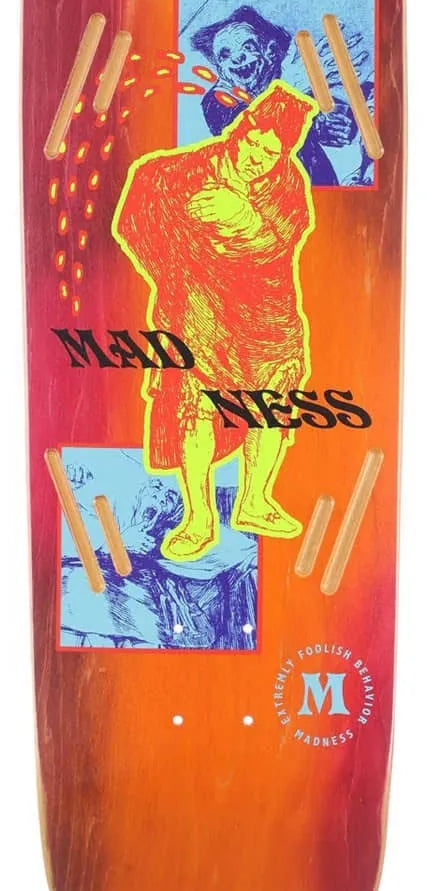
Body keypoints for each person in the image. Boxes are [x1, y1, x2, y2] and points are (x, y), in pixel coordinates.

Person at [112, 82, 318, 562]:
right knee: (196, 407)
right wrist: (176, 273)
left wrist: (245, 220)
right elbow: (132, 221)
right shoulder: (178, 173)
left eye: (271, 154)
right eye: (254, 145)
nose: (257, 160)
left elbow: (281, 243)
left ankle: (254, 501)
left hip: (267, 316)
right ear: (239, 129)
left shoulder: (288, 184)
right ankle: (199, 519)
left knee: (272, 405)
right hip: (200, 312)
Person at [189, 7, 338, 186]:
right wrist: (287, 91)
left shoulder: (280, 81)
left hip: (322, 186)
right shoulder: (216, 102)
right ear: (221, 70)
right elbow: (254, 141)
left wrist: (329, 126)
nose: (237, 58)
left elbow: (314, 130)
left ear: (267, 53)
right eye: (225, 55)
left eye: (247, 47)